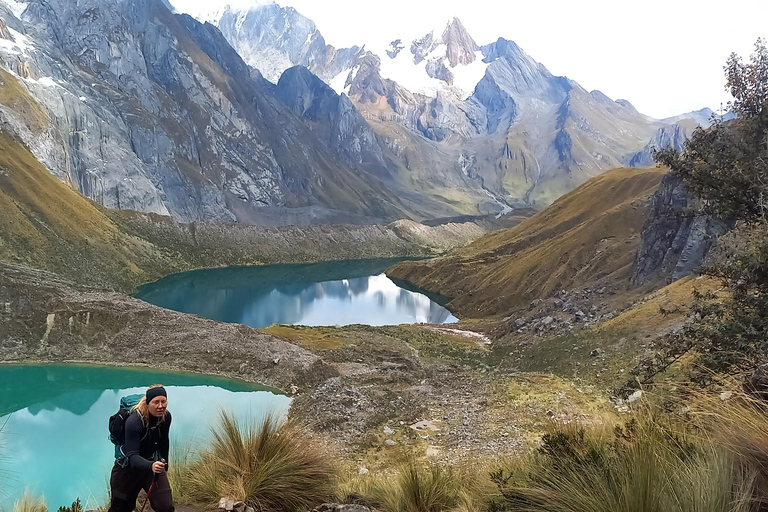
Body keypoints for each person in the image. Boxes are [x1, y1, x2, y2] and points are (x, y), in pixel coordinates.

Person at [108, 384, 174, 512]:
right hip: (126, 469)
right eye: (156, 402)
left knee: (165, 507)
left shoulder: (166, 417)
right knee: (120, 509)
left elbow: (164, 441)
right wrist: (152, 465)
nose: (160, 406)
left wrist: (165, 464)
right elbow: (132, 456)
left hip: (152, 465)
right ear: (148, 403)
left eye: (163, 401)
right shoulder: (134, 421)